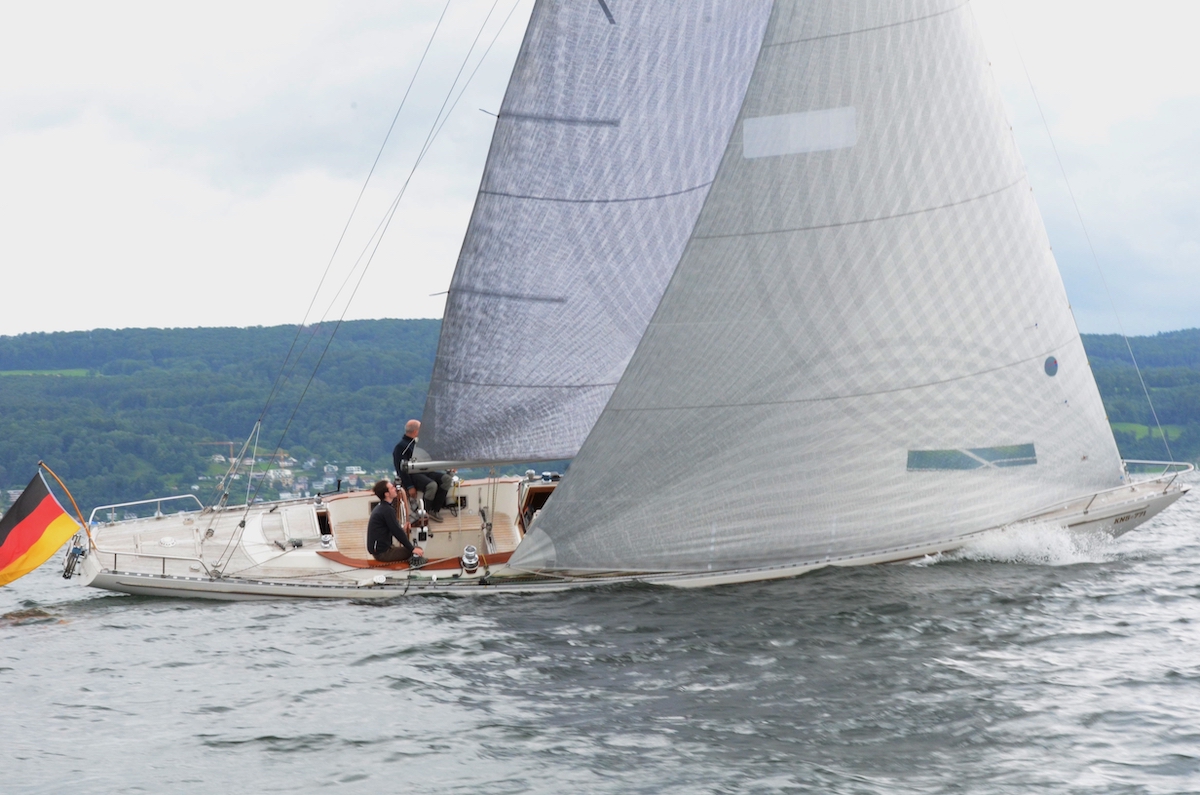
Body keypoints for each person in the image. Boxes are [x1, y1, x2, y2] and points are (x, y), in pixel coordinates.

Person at [392, 419, 451, 522]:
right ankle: (424, 514)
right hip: (413, 474)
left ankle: (435, 509)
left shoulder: (417, 444)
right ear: (415, 431)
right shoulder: (401, 447)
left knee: (446, 479)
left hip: (425, 471)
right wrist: (410, 486)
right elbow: (401, 469)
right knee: (431, 486)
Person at [366, 479, 424, 563]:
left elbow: (393, 527)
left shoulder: (383, 507)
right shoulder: (387, 510)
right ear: (387, 494)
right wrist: (412, 549)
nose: (395, 489)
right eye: (392, 487)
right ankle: (411, 571)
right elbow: (396, 531)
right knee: (415, 551)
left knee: (412, 549)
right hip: (382, 553)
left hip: (380, 550)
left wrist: (402, 528)